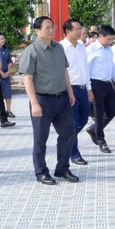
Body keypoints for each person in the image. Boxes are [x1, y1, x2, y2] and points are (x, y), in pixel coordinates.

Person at [19, 16, 79, 185]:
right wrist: (35, 103)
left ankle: (62, 168)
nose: (52, 30)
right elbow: (27, 79)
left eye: (53, 27)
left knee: (68, 133)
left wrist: (70, 92)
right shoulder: (31, 51)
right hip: (42, 101)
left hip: (62, 99)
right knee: (40, 139)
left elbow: (64, 71)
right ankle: (41, 172)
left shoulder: (59, 48)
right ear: (37, 31)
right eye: (47, 27)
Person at [86, 25, 115, 153]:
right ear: (100, 36)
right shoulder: (91, 49)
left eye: (112, 39)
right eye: (108, 39)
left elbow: (112, 67)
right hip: (95, 84)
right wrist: (89, 88)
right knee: (99, 113)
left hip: (107, 84)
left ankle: (93, 129)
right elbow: (86, 70)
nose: (110, 42)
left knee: (112, 111)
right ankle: (101, 141)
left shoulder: (109, 50)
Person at [59, 18, 92, 166]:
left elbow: (85, 69)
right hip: (70, 89)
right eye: (77, 29)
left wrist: (89, 88)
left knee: (84, 119)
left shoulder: (81, 46)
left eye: (80, 29)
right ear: (68, 31)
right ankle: (74, 153)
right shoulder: (61, 47)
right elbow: (61, 71)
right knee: (72, 122)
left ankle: (66, 137)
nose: (80, 32)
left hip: (83, 88)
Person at [0, 33, 15, 117]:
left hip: (6, 74)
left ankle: (9, 110)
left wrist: (8, 72)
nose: (3, 40)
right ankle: (0, 111)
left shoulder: (6, 50)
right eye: (1, 39)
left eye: (4, 39)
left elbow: (9, 62)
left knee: (8, 93)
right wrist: (0, 72)